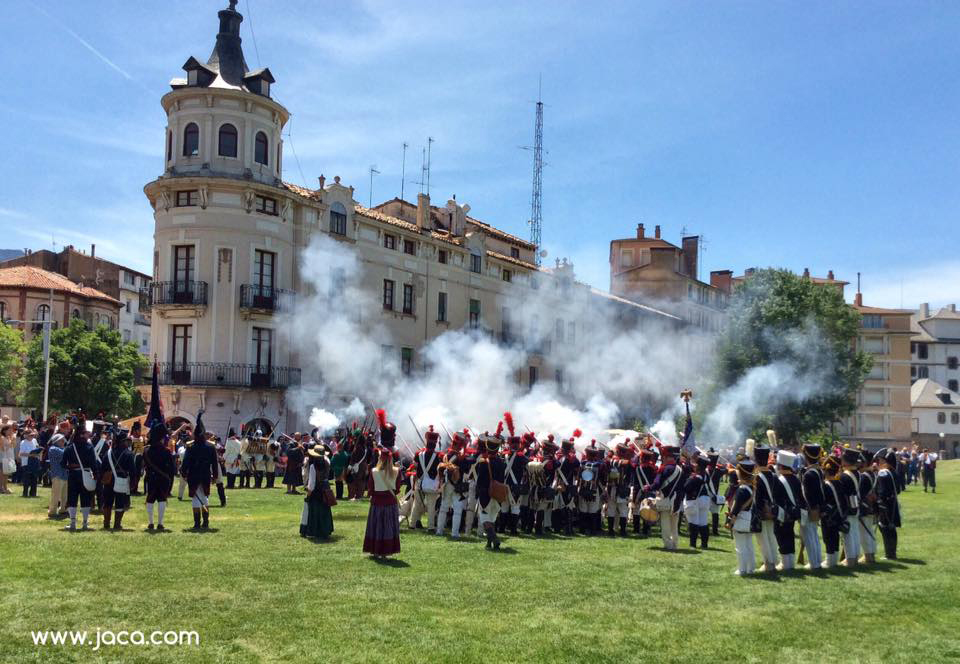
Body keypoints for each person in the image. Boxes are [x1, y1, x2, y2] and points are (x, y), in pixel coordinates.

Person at [363, 410, 401, 558]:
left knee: (376, 527)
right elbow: (397, 489)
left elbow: (370, 488)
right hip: (390, 500)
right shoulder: (396, 469)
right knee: (389, 528)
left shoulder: (374, 469)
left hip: (377, 501)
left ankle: (375, 550)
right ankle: (386, 552)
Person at [180, 412, 219, 530]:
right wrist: (215, 476)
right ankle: (205, 522)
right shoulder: (211, 447)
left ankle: (197, 523)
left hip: (194, 475)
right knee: (204, 497)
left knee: (196, 499)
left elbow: (185, 462)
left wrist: (183, 472)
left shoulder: (190, 447)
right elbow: (215, 463)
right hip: (206, 475)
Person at [60, 421, 99, 531]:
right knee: (85, 498)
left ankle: (72, 523)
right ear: (82, 434)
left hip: (73, 475)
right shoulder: (89, 447)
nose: (88, 435)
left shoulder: (69, 447)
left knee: (72, 499)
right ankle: (85, 524)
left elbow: (63, 464)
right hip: (85, 475)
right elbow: (93, 463)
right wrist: (95, 475)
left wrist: (71, 466)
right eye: (86, 433)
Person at [646, 444, 684, 551]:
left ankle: (668, 545)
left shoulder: (664, 469)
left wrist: (648, 487)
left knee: (665, 524)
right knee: (674, 525)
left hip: (666, 499)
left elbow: (657, 484)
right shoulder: (680, 469)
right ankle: (675, 544)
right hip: (677, 501)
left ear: (665, 457)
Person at [752, 442, 782, 572]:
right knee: (771, 536)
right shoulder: (774, 475)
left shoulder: (757, 477)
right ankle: (774, 560)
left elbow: (757, 497)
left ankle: (768, 563)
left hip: (762, 511)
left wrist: (758, 512)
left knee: (763, 538)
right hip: (773, 509)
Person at [475, 431, 508, 550]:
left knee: (485, 520)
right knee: (492, 519)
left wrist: (477, 493)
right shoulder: (502, 462)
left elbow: (479, 481)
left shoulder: (483, 462)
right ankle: (489, 543)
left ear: (487, 446)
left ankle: (494, 538)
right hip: (497, 494)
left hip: (485, 495)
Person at [726, 459, 757, 576]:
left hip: (741, 518)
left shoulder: (742, 489)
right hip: (749, 518)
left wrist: (731, 521)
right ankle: (751, 568)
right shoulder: (752, 487)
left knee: (740, 546)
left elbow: (736, 508)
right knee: (749, 545)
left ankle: (742, 569)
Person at [143, 422, 176, 531]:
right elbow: (172, 469)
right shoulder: (166, 451)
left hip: (151, 478)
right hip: (163, 479)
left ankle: (151, 523)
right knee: (162, 499)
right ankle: (160, 523)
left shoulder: (147, 450)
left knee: (150, 499)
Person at [435, 432, 469, 537]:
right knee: (458, 510)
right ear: (460, 445)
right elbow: (466, 470)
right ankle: (454, 533)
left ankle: (439, 531)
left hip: (446, 485)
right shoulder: (460, 458)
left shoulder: (445, 455)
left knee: (443, 508)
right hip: (457, 486)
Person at [500, 413, 529, 537]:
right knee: (515, 508)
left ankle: (502, 528)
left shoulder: (503, 455)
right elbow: (528, 464)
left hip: (505, 485)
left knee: (504, 507)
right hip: (516, 485)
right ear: (518, 445)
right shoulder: (521, 457)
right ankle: (513, 530)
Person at [774, 450, 802, 570]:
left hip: (782, 513)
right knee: (789, 535)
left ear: (780, 465)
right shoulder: (795, 479)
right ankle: (790, 562)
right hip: (794, 512)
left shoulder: (778, 480)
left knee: (781, 536)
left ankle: (785, 563)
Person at [410, 426, 442, 531]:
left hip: (419, 482)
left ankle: (412, 524)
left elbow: (414, 466)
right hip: (432, 483)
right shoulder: (438, 456)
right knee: (431, 507)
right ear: (435, 443)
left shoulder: (418, 454)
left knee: (416, 504)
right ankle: (431, 527)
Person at [102, 429, 135, 530]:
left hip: (109, 480)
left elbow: (103, 467)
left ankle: (106, 523)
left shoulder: (108, 453)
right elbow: (132, 470)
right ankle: (117, 524)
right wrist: (133, 482)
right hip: (121, 479)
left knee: (107, 502)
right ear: (123, 441)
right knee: (120, 502)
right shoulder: (128, 454)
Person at [799, 443, 825, 570]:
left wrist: (809, 509)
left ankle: (814, 563)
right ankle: (817, 561)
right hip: (817, 507)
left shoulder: (809, 474)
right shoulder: (818, 471)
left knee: (810, 536)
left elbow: (809, 495)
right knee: (813, 535)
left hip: (811, 509)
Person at [300, 444, 334, 539]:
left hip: (316, 492)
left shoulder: (313, 467)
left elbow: (311, 484)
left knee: (314, 512)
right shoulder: (327, 462)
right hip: (325, 490)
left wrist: (308, 495)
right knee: (324, 512)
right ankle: (324, 531)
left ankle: (313, 531)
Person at [820, 455, 847, 569]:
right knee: (834, 537)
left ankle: (829, 561)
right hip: (838, 514)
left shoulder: (825, 485)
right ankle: (834, 560)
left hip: (828, 516)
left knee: (828, 537)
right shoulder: (839, 483)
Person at [875, 448, 902, 560]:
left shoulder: (883, 473)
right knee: (891, 528)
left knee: (885, 528)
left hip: (885, 504)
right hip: (893, 503)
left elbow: (882, 492)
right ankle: (892, 553)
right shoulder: (893, 473)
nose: (879, 463)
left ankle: (889, 554)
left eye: (881, 461)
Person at [838, 448, 862, 567]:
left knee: (848, 534)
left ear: (846, 461)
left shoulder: (844, 476)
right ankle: (855, 556)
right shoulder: (857, 473)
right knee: (855, 532)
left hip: (847, 506)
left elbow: (842, 494)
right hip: (856, 504)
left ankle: (850, 559)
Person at [683, 455, 711, 549]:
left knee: (693, 522)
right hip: (705, 499)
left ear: (698, 465)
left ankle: (693, 544)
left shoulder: (695, 477)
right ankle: (704, 544)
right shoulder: (706, 475)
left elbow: (686, 488)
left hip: (695, 500)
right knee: (703, 522)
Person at [46, 426, 69, 518]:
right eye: (61, 440)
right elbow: (65, 455)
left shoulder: (63, 449)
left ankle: (63, 509)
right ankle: (52, 512)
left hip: (64, 474)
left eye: (63, 440)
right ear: (56, 441)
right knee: (56, 495)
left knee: (64, 495)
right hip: (57, 474)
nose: (63, 442)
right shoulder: (53, 449)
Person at [19, 426, 41, 498]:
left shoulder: (34, 440)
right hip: (26, 462)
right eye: (30, 435)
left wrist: (39, 451)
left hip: (34, 461)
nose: (32, 436)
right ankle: (25, 493)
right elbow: (21, 454)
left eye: (32, 435)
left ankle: (33, 493)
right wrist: (31, 455)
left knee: (34, 478)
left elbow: (37, 448)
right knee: (27, 479)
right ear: (26, 435)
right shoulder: (23, 442)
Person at [0, 421, 15, 494]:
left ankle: (5, 487)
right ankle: (1, 488)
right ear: (5, 431)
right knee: (2, 474)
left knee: (6, 474)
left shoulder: (9, 438)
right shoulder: (2, 438)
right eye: (9, 430)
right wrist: (11, 442)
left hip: (9, 458)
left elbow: (12, 447)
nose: (11, 431)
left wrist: (12, 441)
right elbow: (3, 448)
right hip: (3, 458)